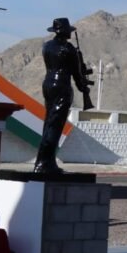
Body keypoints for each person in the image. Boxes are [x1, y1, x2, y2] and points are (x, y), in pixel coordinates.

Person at [35, 18, 93, 174]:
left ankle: (45, 161)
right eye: (69, 31)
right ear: (64, 31)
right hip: (62, 86)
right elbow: (76, 72)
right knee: (55, 125)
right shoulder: (68, 49)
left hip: (48, 84)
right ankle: (44, 163)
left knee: (49, 123)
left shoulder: (47, 46)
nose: (70, 33)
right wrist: (83, 88)